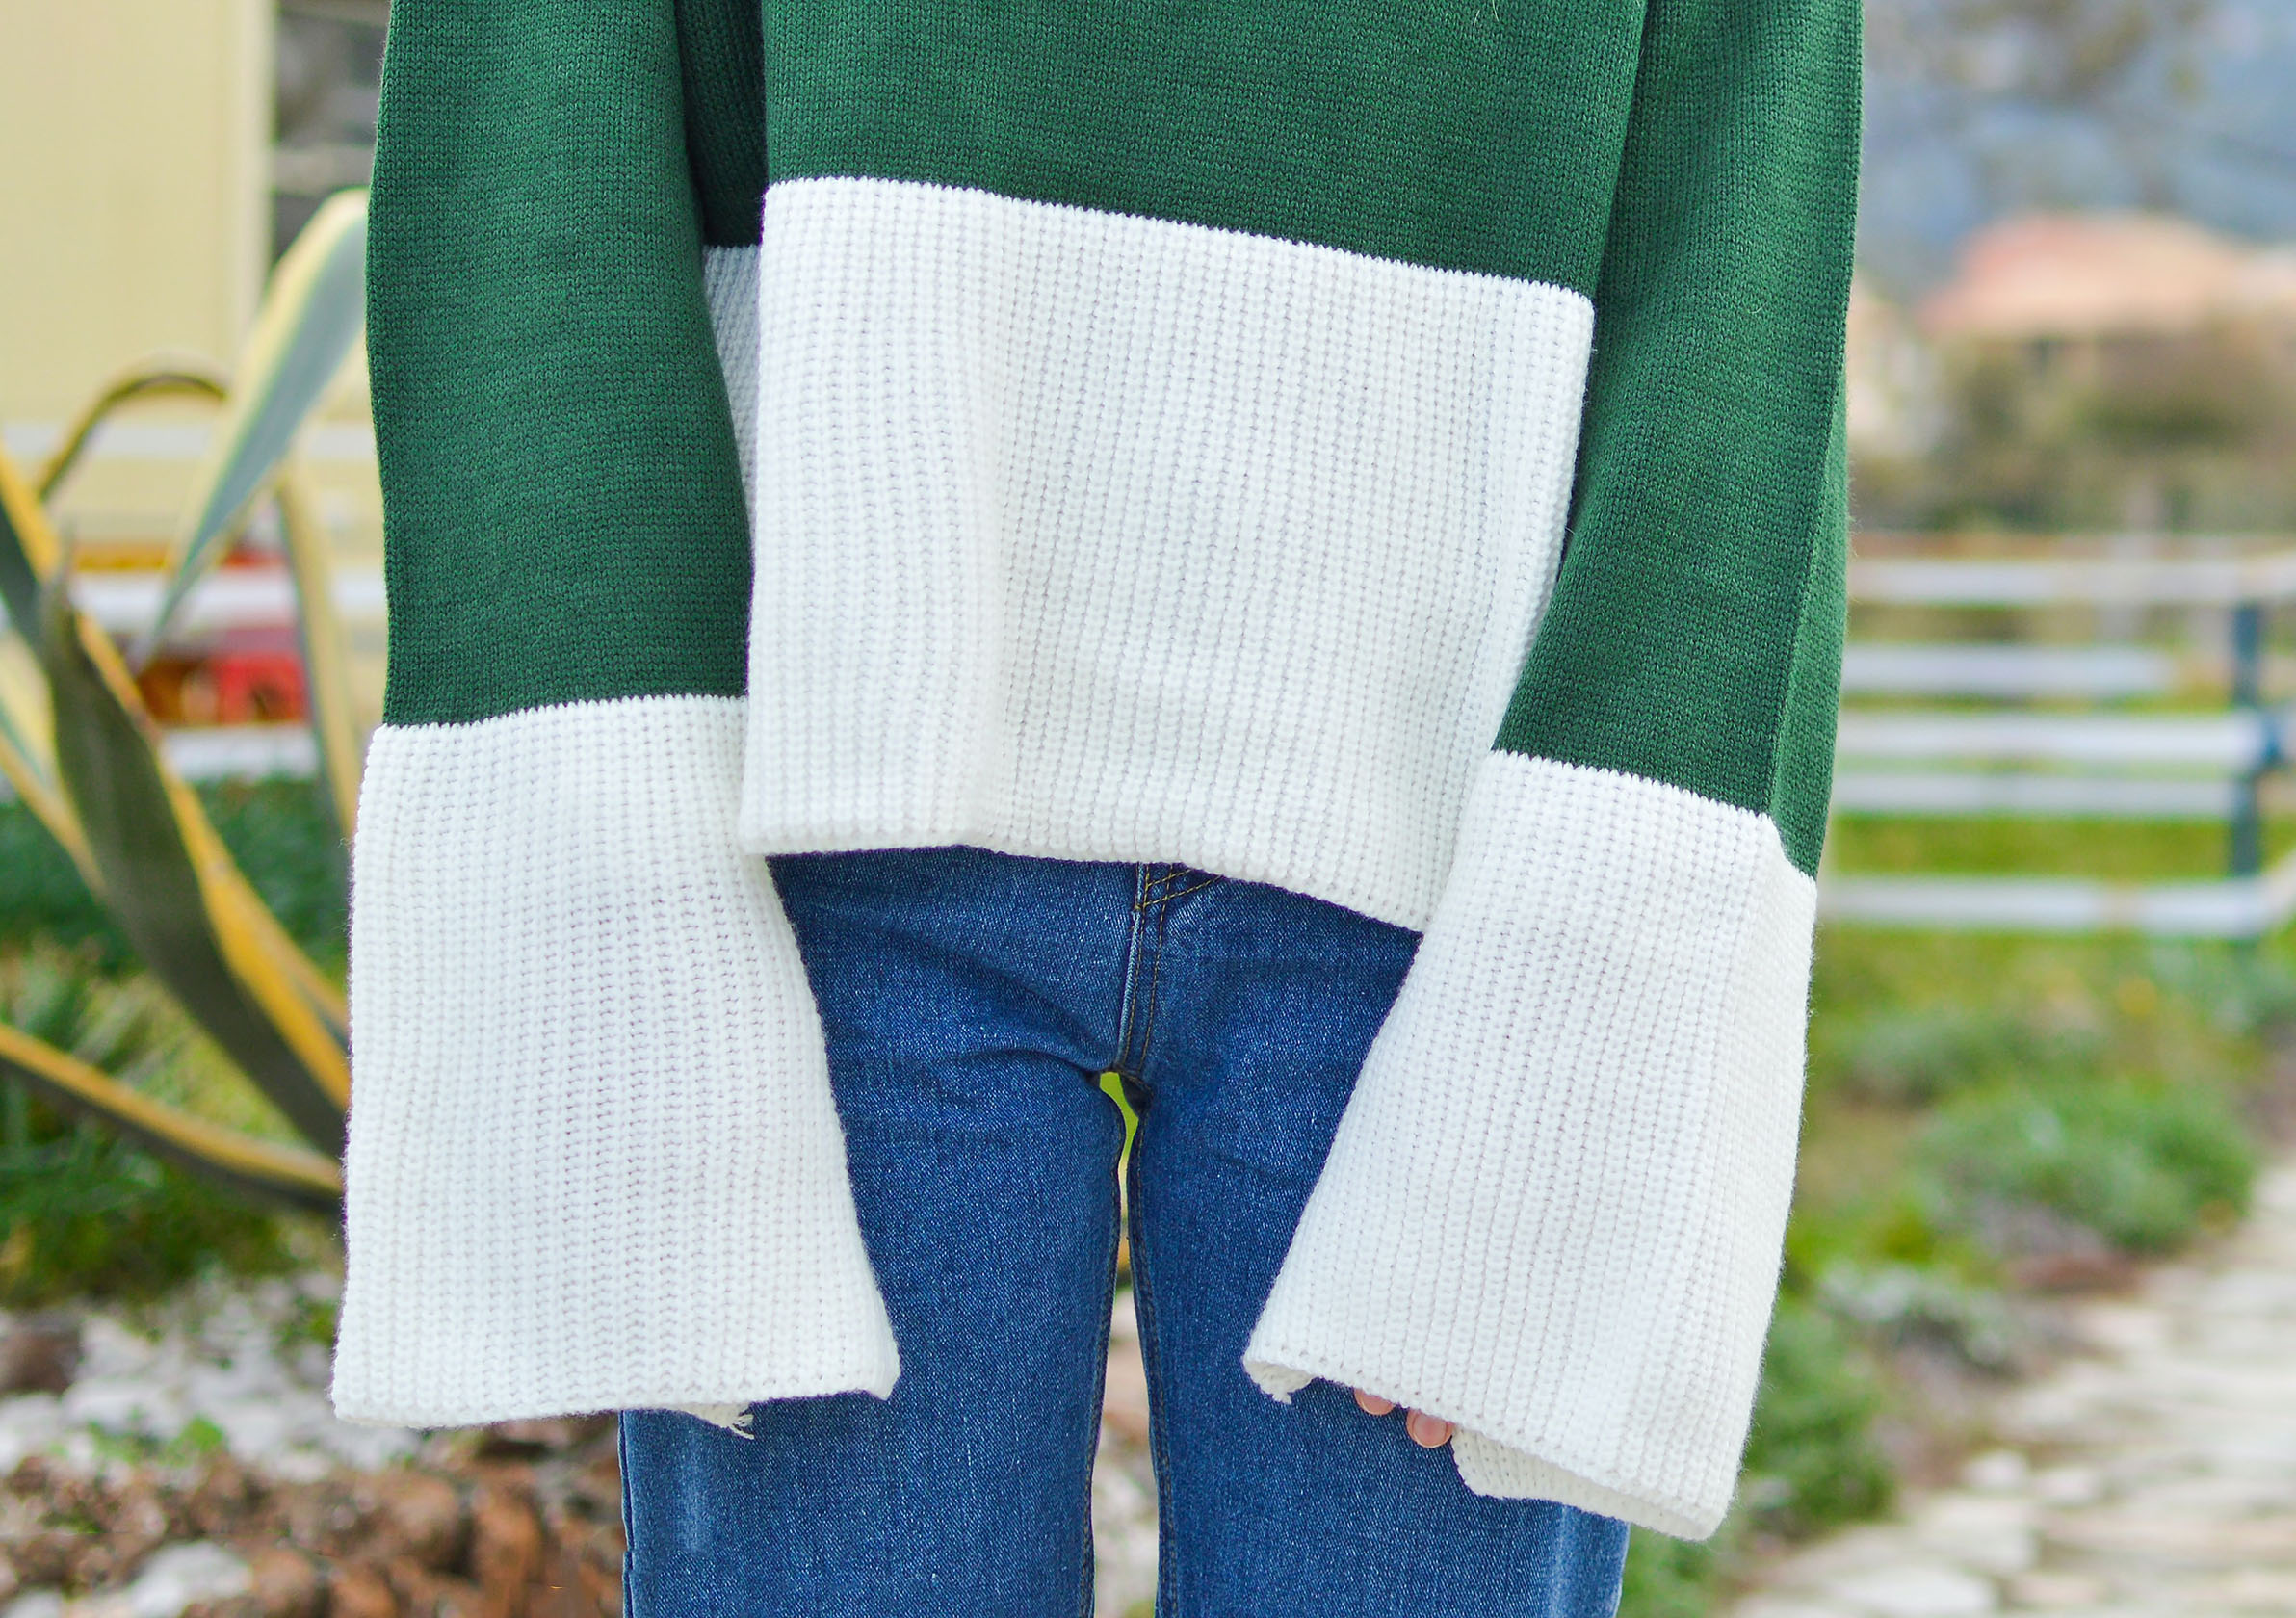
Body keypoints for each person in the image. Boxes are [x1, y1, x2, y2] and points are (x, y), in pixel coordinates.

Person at [330, 0, 1860, 1611]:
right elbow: (531, 171)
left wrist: (1588, 1024)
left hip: (1449, 890)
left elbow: (1742, 297)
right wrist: (614, 914)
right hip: (829, 846)